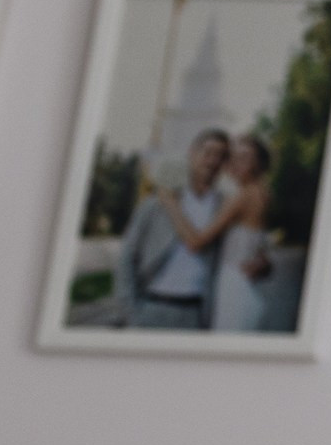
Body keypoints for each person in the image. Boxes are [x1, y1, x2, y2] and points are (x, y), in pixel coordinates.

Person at [112, 128, 231, 330]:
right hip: (151, 307)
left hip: (195, 313)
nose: (213, 161)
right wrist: (131, 315)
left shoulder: (224, 207)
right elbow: (127, 257)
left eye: (221, 156)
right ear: (192, 153)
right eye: (208, 152)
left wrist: (263, 263)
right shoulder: (157, 203)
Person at [157, 133, 275, 333]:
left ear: (258, 164)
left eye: (244, 158)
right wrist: (264, 262)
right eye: (232, 157)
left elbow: (196, 243)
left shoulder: (241, 196)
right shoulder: (262, 193)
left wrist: (170, 202)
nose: (235, 164)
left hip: (234, 286)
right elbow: (258, 243)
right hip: (244, 284)